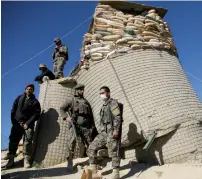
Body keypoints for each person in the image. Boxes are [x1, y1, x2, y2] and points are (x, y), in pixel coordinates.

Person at [60, 84, 98, 171]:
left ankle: (92, 162)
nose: (82, 91)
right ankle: (70, 162)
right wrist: (66, 117)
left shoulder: (86, 101)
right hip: (75, 125)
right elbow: (62, 108)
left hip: (86, 127)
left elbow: (90, 115)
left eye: (83, 89)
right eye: (80, 89)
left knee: (90, 143)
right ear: (76, 90)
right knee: (71, 143)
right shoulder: (71, 100)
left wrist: (92, 126)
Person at [87, 86, 123, 179]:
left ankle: (116, 174)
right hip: (103, 133)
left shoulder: (113, 103)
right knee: (91, 148)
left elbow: (117, 117)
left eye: (102, 93)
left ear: (108, 93)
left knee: (113, 152)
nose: (101, 95)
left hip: (111, 131)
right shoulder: (104, 106)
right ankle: (93, 171)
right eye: (100, 93)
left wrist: (116, 130)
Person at [4, 84, 41, 169]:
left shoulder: (35, 102)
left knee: (28, 142)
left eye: (31, 89)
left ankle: (26, 160)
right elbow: (13, 109)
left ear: (33, 91)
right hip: (17, 123)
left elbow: (36, 114)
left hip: (28, 125)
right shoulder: (19, 98)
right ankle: (11, 160)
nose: (29, 90)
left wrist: (27, 123)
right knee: (13, 141)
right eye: (27, 89)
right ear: (25, 90)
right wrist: (13, 121)